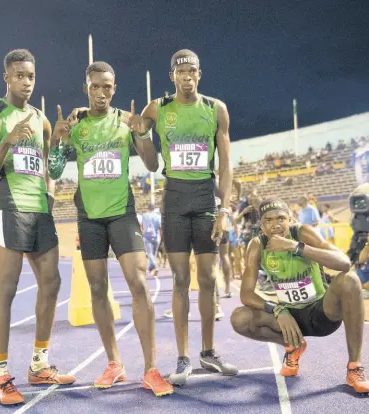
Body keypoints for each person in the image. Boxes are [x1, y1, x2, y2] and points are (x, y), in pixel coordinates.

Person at [48, 61, 173, 397]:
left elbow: (151, 165)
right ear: (86, 87)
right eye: (94, 86)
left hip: (122, 213)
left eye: (107, 86)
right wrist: (58, 142)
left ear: (114, 87)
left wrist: (142, 134)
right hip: (89, 217)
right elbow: (55, 171)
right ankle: (114, 363)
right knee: (98, 288)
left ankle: (151, 369)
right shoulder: (76, 123)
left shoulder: (125, 121)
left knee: (138, 282)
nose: (101, 93)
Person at [128, 49, 238, 385]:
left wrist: (225, 209)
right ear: (172, 76)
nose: (187, 77)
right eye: (181, 72)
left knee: (207, 278)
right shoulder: (157, 109)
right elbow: (148, 162)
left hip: (205, 196)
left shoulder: (215, 109)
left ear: (199, 75)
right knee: (179, 281)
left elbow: (226, 166)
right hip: (174, 198)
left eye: (192, 71)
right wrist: (140, 134)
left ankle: (208, 353)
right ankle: (183, 358)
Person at [0, 49, 74, 406]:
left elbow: (54, 170)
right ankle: (1, 376)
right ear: (7, 77)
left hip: (40, 211)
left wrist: (61, 143)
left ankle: (39, 364)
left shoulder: (42, 120)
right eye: (19, 75)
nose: (26, 82)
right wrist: (7, 141)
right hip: (9, 208)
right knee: (7, 287)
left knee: (52, 284)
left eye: (30, 76)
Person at [231, 199, 369, 394]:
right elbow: (246, 294)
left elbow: (344, 263)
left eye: (280, 218)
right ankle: (293, 346)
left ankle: (354, 366)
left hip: (322, 313)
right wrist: (277, 309)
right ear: (261, 226)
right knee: (239, 317)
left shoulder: (302, 232)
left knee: (350, 280)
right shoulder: (257, 245)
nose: (275, 224)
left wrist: (295, 246)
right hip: (290, 320)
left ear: (290, 219)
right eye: (268, 220)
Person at [142, 203, 161, 276]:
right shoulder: (157, 216)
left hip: (147, 237)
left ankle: (155, 266)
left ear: (148, 208)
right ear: (154, 209)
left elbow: (142, 226)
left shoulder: (144, 216)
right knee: (153, 254)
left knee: (149, 254)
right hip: (156, 237)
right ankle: (151, 268)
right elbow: (160, 226)